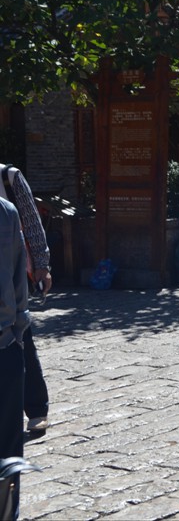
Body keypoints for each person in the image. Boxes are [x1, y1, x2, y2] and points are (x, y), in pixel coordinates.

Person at [0, 164, 52, 432]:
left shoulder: (9, 177)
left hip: (9, 275)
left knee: (22, 339)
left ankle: (36, 408)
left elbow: (31, 223)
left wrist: (42, 265)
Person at [0, 197, 30, 520]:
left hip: (5, 347)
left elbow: (19, 278)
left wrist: (19, 334)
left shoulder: (6, 214)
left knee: (9, 449)